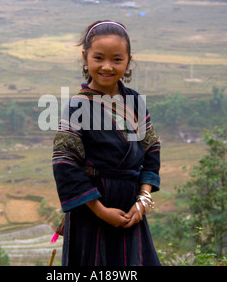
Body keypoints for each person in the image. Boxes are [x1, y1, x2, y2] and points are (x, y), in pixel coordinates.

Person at [52, 20, 161, 266]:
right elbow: (65, 164)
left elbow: (151, 149)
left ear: (128, 60)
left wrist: (143, 201)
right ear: (85, 57)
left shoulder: (134, 102)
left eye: (117, 59)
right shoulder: (77, 107)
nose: (107, 67)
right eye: (99, 58)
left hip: (130, 208)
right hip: (92, 211)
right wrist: (101, 211)